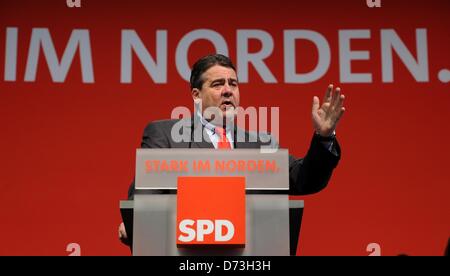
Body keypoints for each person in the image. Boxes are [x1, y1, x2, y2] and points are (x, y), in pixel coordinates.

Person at [118, 54, 346, 244]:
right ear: (196, 96)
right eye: (218, 84)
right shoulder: (166, 135)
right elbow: (146, 193)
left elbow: (305, 178)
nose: (228, 90)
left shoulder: (260, 144)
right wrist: (135, 221)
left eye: (233, 84)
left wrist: (324, 136)